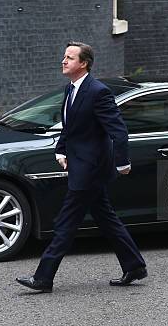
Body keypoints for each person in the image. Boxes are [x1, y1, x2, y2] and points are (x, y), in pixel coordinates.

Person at [16, 41, 147, 292]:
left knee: (66, 223)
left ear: (83, 63)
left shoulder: (98, 92)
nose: (63, 61)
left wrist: (122, 163)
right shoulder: (70, 90)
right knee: (107, 220)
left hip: (90, 171)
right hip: (80, 165)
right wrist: (60, 150)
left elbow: (118, 130)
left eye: (69, 58)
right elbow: (71, 128)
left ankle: (43, 278)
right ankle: (134, 266)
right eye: (64, 56)